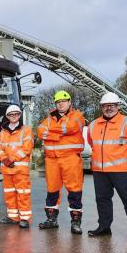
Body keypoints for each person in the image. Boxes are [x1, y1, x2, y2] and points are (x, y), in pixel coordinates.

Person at [86, 92, 127, 244]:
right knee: (102, 200)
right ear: (101, 107)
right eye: (105, 105)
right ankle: (104, 227)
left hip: (124, 171)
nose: (109, 108)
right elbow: (93, 144)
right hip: (100, 171)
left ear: (119, 106)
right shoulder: (93, 125)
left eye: (112, 105)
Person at [37, 90, 86, 234]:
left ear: (70, 102)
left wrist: (51, 133)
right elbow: (40, 132)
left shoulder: (77, 116)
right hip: (51, 159)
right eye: (58, 102)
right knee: (52, 190)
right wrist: (59, 134)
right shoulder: (49, 117)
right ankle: (52, 220)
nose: (61, 104)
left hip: (70, 158)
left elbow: (70, 128)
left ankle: (75, 222)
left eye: (63, 101)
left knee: (74, 190)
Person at [0, 105, 33, 228]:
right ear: (7, 117)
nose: (14, 116)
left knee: (23, 193)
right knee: (9, 194)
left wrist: (11, 159)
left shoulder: (26, 130)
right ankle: (12, 216)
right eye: (11, 115)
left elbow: (27, 148)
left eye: (16, 114)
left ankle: (25, 219)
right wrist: (3, 158)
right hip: (7, 169)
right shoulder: (3, 132)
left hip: (20, 169)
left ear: (20, 115)